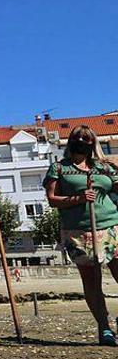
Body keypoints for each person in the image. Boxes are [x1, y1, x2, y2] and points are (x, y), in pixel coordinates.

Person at [46, 125, 118, 346]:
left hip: (111, 226)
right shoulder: (58, 168)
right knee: (92, 280)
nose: (81, 140)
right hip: (79, 231)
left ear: (93, 142)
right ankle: (104, 327)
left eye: (86, 138)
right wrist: (77, 199)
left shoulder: (103, 167)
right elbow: (51, 199)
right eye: (77, 137)